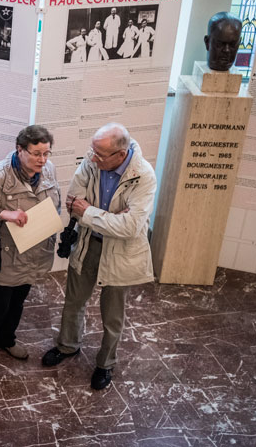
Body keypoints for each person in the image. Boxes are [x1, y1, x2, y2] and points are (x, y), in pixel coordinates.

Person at [41, 123, 157, 391]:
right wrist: (111, 218)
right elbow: (73, 200)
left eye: (99, 155)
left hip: (121, 253)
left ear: (120, 154)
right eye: (92, 152)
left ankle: (106, 363)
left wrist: (90, 212)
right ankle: (67, 346)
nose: (92, 158)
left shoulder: (144, 176)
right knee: (73, 302)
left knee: (113, 315)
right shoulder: (95, 158)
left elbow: (130, 228)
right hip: (87, 245)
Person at [0, 125, 60, 381]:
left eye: (46, 153)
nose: (42, 160)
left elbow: (56, 201)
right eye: (36, 153)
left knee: (18, 302)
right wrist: (4, 214)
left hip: (34, 252)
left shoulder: (48, 170)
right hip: (7, 255)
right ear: (19, 149)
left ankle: (6, 339)